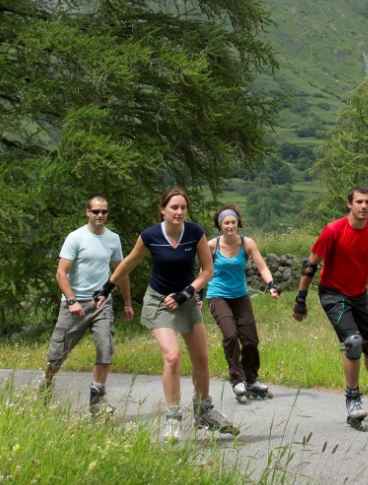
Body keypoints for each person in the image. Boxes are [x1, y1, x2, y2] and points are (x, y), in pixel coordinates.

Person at [99, 188, 239, 440]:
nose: (179, 212)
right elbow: (129, 262)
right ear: (163, 209)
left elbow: (207, 271)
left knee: (202, 359)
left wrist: (187, 293)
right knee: (172, 357)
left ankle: (204, 412)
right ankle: (173, 418)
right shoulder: (151, 235)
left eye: (183, 207)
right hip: (159, 301)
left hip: (185, 299)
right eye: (174, 207)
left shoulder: (194, 232)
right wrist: (107, 288)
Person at [292, 185, 368, 431]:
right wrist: (300, 300)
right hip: (333, 294)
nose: (364, 206)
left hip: (359, 294)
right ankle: (353, 399)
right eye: (359, 202)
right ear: (349, 204)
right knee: (354, 341)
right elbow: (310, 265)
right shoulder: (334, 230)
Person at [43, 195, 131, 415]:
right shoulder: (76, 238)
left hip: (101, 302)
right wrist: (71, 300)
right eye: (96, 212)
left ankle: (97, 399)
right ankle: (46, 382)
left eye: (104, 212)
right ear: (88, 213)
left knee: (105, 348)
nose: (100, 215)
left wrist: (128, 303)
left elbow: (121, 272)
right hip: (74, 304)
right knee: (57, 353)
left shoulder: (113, 239)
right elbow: (61, 273)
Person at [205, 204, 281, 404]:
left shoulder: (247, 243)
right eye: (226, 223)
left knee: (250, 339)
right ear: (220, 225)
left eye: (233, 222)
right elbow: (203, 271)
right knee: (230, 334)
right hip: (217, 295)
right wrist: (196, 294)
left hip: (240, 295)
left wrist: (271, 285)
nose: (230, 226)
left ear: (238, 223)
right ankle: (237, 379)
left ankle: (251, 380)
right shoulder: (211, 245)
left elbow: (262, 266)